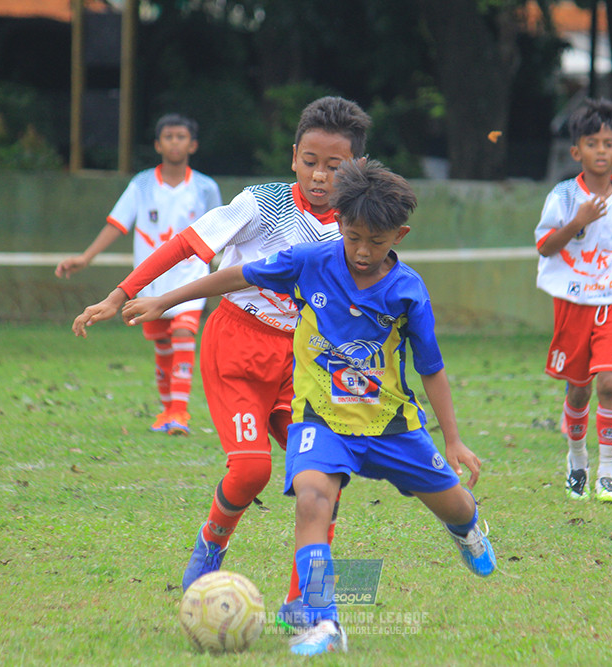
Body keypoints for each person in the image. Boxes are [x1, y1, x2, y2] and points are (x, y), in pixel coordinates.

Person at [122, 159, 496, 656]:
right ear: (339, 222)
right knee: (313, 500)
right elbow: (236, 276)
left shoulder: (407, 291)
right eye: (353, 236)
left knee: (455, 504)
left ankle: (466, 528)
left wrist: (452, 438)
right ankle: (321, 619)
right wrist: (165, 300)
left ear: (399, 235)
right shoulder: (311, 260)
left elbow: (431, 367)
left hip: (390, 425)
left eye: (376, 241)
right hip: (319, 417)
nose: (362, 251)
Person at [70, 97, 373, 614]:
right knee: (252, 470)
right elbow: (185, 245)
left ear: (357, 168)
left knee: (324, 477)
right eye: (310, 162)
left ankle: (307, 602)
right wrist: (120, 294)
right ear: (294, 156)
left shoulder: (358, 227)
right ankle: (212, 541)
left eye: (335, 166)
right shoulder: (264, 204)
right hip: (236, 345)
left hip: (301, 361)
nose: (320, 176)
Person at [55, 114, 221, 435]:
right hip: (151, 280)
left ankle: (180, 413)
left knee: (184, 334)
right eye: (168, 136)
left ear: (193, 144)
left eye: (181, 136)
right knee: (162, 345)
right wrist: (85, 257)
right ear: (158, 144)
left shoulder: (205, 187)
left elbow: (219, 231)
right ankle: (165, 411)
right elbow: (117, 223)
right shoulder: (142, 184)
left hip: (190, 276)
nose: (175, 142)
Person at [534, 98, 612, 503]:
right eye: (592, 143)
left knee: (611, 383)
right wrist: (577, 222)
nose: (600, 150)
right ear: (576, 151)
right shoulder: (564, 196)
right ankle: (577, 460)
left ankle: (609, 473)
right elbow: (546, 246)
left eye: (608, 143)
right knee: (578, 390)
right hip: (572, 303)